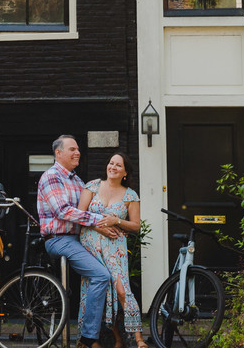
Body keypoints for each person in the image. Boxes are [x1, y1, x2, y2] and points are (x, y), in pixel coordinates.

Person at [37, 134, 121, 348]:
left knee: (114, 269)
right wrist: (101, 221)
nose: (77, 153)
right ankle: (88, 339)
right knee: (101, 275)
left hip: (80, 238)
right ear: (59, 153)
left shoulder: (76, 180)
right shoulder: (51, 176)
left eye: (78, 149)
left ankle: (119, 334)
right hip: (59, 239)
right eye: (72, 149)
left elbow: (89, 209)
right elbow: (63, 211)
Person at [78, 152, 146, 348]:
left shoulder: (130, 195)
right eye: (111, 163)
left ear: (125, 172)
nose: (113, 167)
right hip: (91, 244)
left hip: (116, 248)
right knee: (97, 290)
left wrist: (116, 220)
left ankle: (138, 339)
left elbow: (135, 225)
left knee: (121, 290)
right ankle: (94, 341)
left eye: (118, 165)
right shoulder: (92, 186)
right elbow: (80, 215)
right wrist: (98, 226)